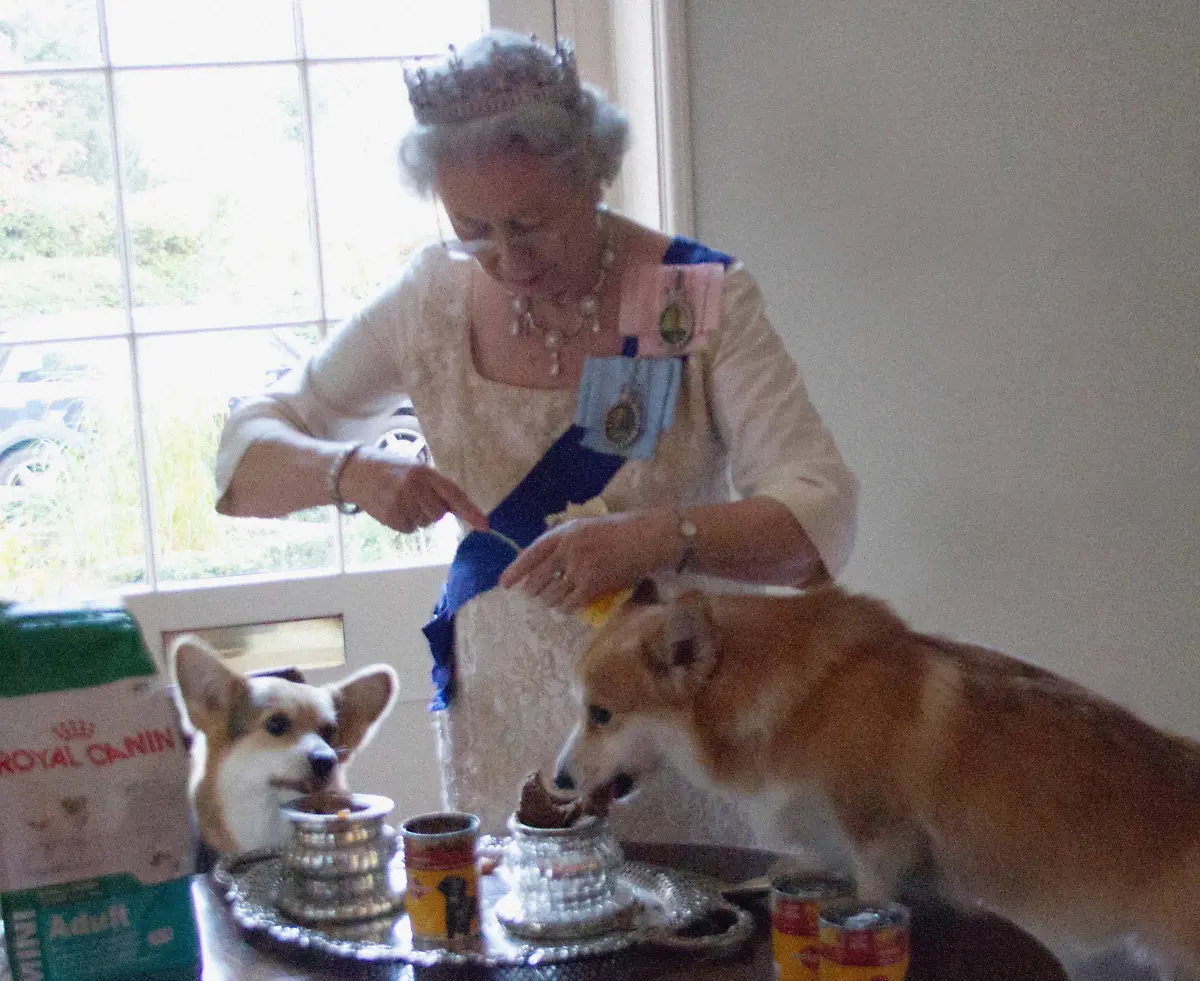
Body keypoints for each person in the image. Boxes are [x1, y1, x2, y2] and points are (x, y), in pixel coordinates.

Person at [213, 30, 858, 844]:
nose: (508, 259)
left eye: (532, 222)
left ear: (593, 175)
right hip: (500, 725)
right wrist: (353, 473)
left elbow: (821, 516)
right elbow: (241, 460)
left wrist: (654, 539)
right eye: (473, 228)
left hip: (671, 725)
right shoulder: (430, 300)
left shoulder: (688, 296)